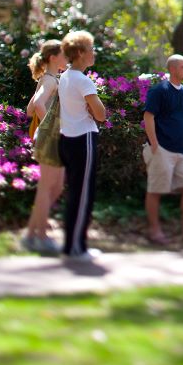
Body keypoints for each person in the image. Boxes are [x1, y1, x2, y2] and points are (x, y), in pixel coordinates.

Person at [57, 30, 106, 261]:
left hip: (68, 138)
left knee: (75, 193)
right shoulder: (82, 79)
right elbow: (101, 114)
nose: (93, 53)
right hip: (83, 138)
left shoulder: (65, 77)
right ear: (79, 53)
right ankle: (76, 248)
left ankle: (74, 245)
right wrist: (94, 109)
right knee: (83, 194)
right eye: (90, 49)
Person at [143, 55, 183, 244]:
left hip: (181, 151)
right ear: (173, 69)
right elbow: (148, 116)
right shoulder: (159, 90)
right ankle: (154, 230)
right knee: (156, 190)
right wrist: (155, 145)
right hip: (162, 149)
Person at [22, 40, 68, 254]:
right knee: (49, 187)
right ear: (53, 58)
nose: (67, 58)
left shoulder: (47, 79)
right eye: (64, 54)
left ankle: (31, 234)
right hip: (51, 138)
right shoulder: (51, 81)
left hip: (49, 138)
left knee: (54, 187)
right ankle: (41, 236)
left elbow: (30, 109)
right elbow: (37, 106)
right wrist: (50, 126)